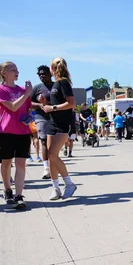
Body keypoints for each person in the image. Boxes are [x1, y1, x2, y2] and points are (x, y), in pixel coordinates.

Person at [0, 61, 33, 209]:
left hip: (23, 132)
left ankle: (19, 195)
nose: (17, 72)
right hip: (7, 131)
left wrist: (29, 118)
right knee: (7, 163)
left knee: (21, 163)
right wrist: (27, 93)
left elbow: (27, 109)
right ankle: (7, 189)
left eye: (17, 69)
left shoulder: (22, 90)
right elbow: (13, 107)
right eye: (13, 70)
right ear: (4, 73)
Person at [41, 57, 77, 201]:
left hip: (63, 124)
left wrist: (53, 107)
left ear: (52, 67)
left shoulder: (63, 82)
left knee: (53, 155)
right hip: (53, 123)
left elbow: (72, 103)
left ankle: (69, 184)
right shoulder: (57, 83)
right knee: (51, 157)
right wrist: (47, 103)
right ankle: (55, 188)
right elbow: (57, 103)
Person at [30, 65, 54, 179]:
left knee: (54, 144)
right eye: (39, 74)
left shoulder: (56, 86)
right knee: (43, 141)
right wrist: (40, 104)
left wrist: (48, 103)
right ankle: (46, 168)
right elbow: (28, 104)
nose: (41, 76)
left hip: (55, 117)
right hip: (41, 117)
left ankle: (54, 165)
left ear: (51, 74)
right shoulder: (37, 88)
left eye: (44, 73)